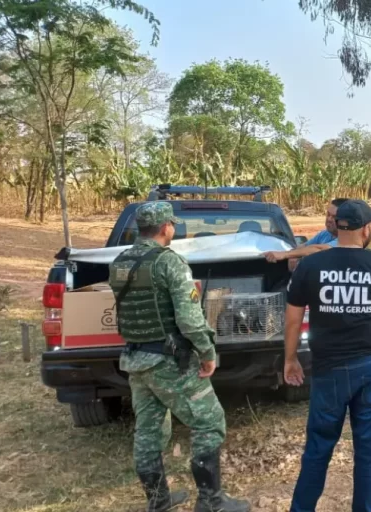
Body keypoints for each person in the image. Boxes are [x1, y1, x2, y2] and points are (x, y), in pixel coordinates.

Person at [109, 202, 249, 512]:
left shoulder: (120, 261)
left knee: (148, 431)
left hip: (135, 359)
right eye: (172, 223)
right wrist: (207, 351)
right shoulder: (169, 262)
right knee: (210, 422)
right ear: (165, 228)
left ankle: (158, 502)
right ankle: (211, 502)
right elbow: (188, 319)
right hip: (168, 360)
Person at [282, 199, 371, 512]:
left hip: (328, 370)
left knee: (318, 448)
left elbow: (293, 319)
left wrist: (290, 358)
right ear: (365, 230)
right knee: (367, 449)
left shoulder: (310, 266)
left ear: (338, 226)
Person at [263, 198, 347, 264]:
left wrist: (285, 255)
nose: (329, 219)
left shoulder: (346, 240)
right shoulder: (325, 234)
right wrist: (283, 252)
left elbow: (318, 249)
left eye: (334, 217)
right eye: (328, 214)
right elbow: (304, 247)